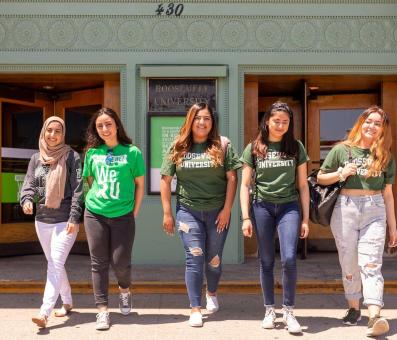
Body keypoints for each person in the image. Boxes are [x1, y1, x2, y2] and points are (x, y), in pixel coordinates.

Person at [317, 105, 397, 337]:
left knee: (371, 263)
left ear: (383, 130)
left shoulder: (385, 156)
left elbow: (388, 194)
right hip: (346, 209)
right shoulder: (341, 150)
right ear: (360, 123)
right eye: (368, 121)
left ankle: (374, 315)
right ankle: (353, 307)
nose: (372, 126)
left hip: (375, 209)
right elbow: (321, 178)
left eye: (377, 123)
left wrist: (393, 227)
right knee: (349, 261)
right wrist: (341, 174)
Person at [160, 102, 241, 327]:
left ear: (212, 122)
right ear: (190, 120)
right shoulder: (178, 146)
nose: (202, 122)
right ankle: (195, 308)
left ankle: (212, 293)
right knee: (194, 257)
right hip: (188, 211)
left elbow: (232, 179)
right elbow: (165, 181)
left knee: (213, 260)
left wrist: (227, 210)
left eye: (206, 118)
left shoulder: (222, 145)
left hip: (218, 212)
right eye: (198, 118)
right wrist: (167, 213)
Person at [239, 101, 310, 334]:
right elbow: (245, 184)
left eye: (285, 122)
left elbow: (302, 184)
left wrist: (306, 219)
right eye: (276, 121)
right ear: (267, 121)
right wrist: (245, 217)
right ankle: (270, 309)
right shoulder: (254, 147)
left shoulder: (296, 146)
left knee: (289, 258)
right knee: (267, 260)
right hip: (262, 207)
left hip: (289, 206)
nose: (280, 125)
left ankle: (289, 310)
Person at [82, 108, 145, 330]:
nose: (105, 129)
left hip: (123, 215)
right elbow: (90, 181)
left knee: (120, 262)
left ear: (116, 125)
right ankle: (102, 310)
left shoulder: (132, 152)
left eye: (108, 124)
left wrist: (134, 211)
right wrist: (100, 200)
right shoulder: (92, 153)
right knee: (98, 263)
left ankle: (125, 290)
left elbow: (139, 185)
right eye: (100, 126)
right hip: (95, 213)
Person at [20, 116, 83, 329]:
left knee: (55, 263)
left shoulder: (72, 157)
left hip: (65, 220)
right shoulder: (37, 158)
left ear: (63, 133)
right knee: (55, 264)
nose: (53, 135)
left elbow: (78, 190)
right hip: (42, 220)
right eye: (49, 130)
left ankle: (44, 312)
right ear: (44, 132)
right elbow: (31, 185)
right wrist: (27, 200)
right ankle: (67, 301)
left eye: (58, 131)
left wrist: (75, 217)